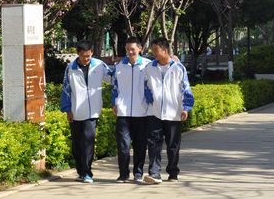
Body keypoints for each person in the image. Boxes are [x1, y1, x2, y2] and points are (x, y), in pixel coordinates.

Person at [143, 37, 194, 184]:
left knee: (173, 145)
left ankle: (173, 172)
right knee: (153, 143)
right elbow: (145, 86)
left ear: (165, 51)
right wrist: (151, 100)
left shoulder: (178, 68)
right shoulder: (149, 67)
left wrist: (186, 108)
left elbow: (186, 89)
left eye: (156, 50)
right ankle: (154, 173)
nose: (153, 53)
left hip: (173, 113)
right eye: (152, 50)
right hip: (154, 112)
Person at [61, 41, 112, 184]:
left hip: (93, 112)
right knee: (77, 145)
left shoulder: (99, 65)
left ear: (92, 53)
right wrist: (67, 109)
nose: (86, 59)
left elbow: (113, 78)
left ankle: (88, 172)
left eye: (89, 56)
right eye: (84, 56)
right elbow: (66, 89)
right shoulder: (70, 68)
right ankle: (81, 172)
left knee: (89, 142)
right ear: (78, 54)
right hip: (76, 111)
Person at [111, 37, 151, 183]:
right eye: (127, 49)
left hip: (142, 112)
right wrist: (114, 103)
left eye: (132, 49)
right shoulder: (119, 66)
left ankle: (138, 173)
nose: (130, 52)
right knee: (123, 146)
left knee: (140, 146)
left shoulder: (148, 65)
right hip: (123, 112)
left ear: (140, 49)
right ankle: (123, 174)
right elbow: (114, 87)